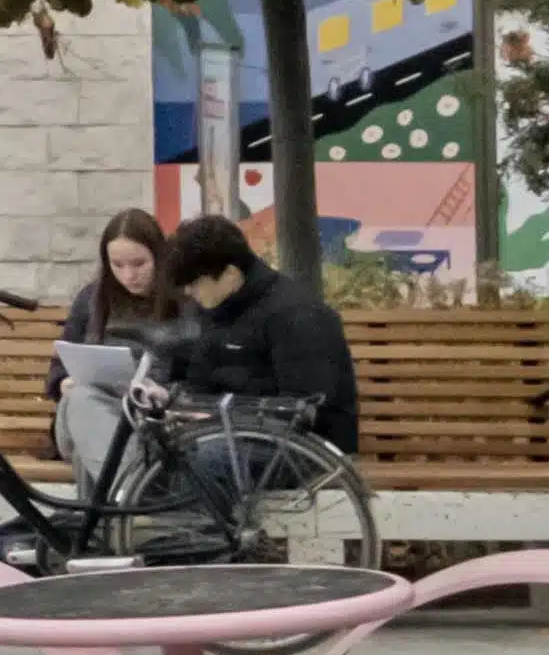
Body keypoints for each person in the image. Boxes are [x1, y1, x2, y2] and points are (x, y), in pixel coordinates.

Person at [152, 209, 361, 469]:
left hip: (308, 447)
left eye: (194, 283)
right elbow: (197, 378)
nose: (187, 291)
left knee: (207, 456)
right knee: (150, 443)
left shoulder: (297, 315)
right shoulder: (211, 306)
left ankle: (187, 510)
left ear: (230, 273)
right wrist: (168, 397)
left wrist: (215, 417)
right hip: (231, 431)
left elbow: (304, 407)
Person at [54, 208, 179, 495]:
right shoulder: (92, 298)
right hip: (83, 412)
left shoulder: (179, 302)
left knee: (96, 448)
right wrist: (63, 382)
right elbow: (59, 368)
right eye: (117, 264)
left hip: (148, 424)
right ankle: (131, 494)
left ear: (158, 257)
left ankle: (103, 527)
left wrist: (161, 391)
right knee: (82, 399)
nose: (129, 275)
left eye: (139, 264)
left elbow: (193, 376)